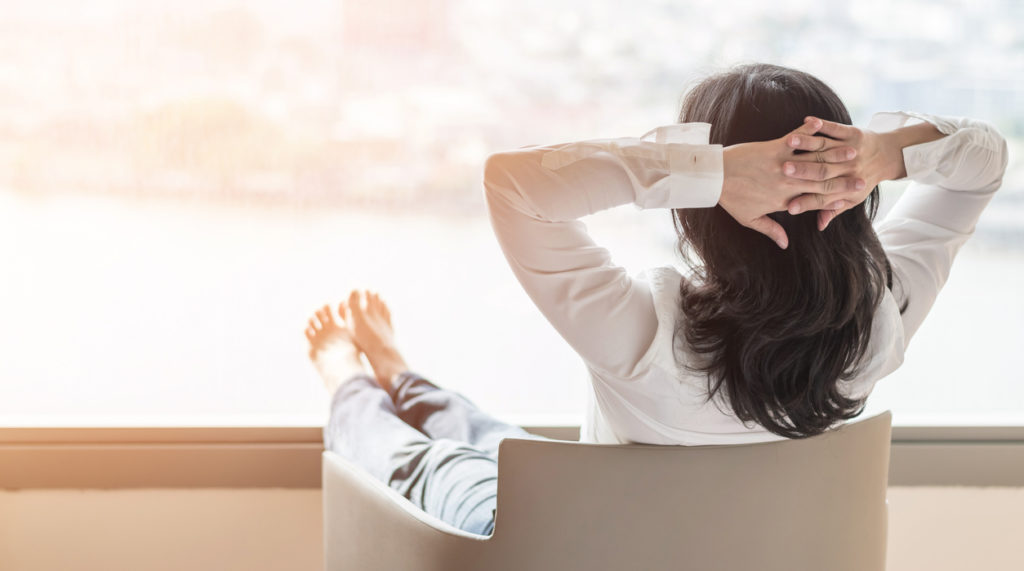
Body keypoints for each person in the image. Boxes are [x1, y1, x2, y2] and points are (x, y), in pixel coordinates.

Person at [305, 63, 1009, 535]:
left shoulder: (645, 336)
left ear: (703, 208)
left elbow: (513, 184)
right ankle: (404, 375)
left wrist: (707, 172)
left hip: (568, 547)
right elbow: (984, 164)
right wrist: (886, 152)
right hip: (655, 533)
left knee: (427, 462)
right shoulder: (882, 325)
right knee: (499, 441)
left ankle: (353, 378)